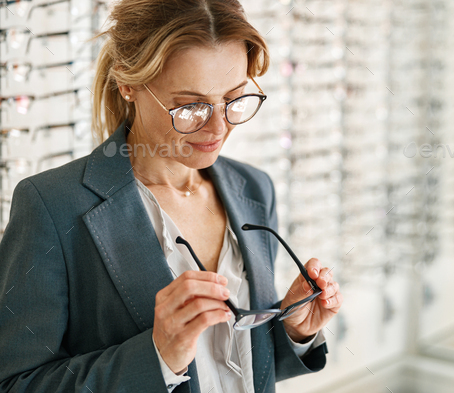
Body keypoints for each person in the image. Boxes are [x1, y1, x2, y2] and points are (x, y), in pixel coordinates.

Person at [0, 0, 343, 391]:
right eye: (190, 106)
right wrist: (157, 356)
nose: (217, 127)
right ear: (128, 83)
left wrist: (294, 330)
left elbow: (231, 365)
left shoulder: (253, 188)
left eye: (234, 98)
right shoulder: (51, 206)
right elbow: (16, 384)